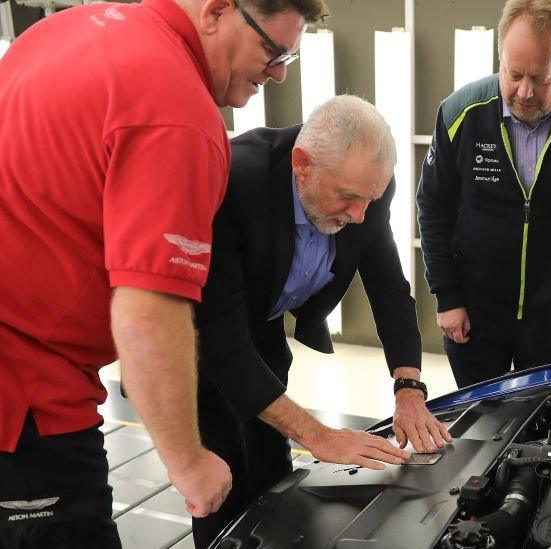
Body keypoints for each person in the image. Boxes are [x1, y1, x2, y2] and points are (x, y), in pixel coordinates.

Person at [0, 0, 326, 546]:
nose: (279, 72)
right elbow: (149, 312)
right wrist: (190, 461)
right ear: (217, 11)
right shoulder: (179, 114)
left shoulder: (73, 28)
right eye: (272, 50)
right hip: (26, 393)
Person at [191, 95, 452, 547]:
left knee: (274, 475)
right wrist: (317, 434)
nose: (358, 216)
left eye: (367, 200)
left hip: (262, 329)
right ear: (301, 164)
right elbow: (222, 344)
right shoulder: (233, 184)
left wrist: (409, 387)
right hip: (197, 346)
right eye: (347, 197)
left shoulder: (366, 192)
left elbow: (388, 287)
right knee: (223, 481)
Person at [417, 0, 551, 389]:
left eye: (540, 78)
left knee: (544, 425)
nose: (524, 91)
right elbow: (433, 208)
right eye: (513, 73)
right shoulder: (460, 114)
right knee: (480, 421)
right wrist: (447, 296)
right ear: (500, 56)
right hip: (475, 311)